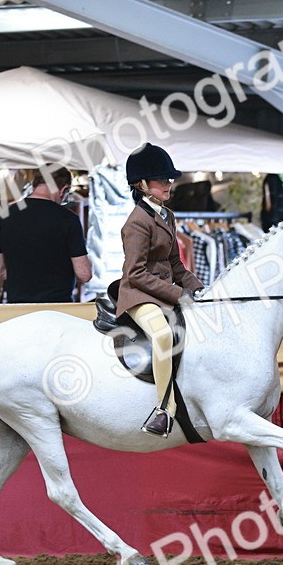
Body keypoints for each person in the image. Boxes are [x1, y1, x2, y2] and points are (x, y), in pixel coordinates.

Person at [117, 143, 205, 437]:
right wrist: (178, 294)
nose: (168, 184)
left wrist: (199, 289)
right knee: (163, 334)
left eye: (169, 179)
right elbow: (136, 273)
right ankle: (164, 410)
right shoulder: (136, 223)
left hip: (161, 291)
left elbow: (175, 263)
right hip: (138, 294)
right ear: (141, 185)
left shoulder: (166, 214)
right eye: (161, 180)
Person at [0, 164, 92, 303]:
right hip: (57, 309)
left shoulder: (6, 215)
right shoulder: (68, 219)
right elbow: (84, 274)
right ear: (63, 190)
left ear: (35, 184)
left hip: (16, 308)